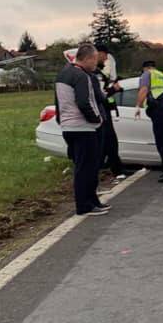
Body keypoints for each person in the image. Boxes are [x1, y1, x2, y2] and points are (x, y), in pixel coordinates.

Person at [55, 43, 110, 216]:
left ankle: (92, 200)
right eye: (94, 60)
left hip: (69, 126)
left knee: (85, 166)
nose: (96, 64)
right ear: (88, 58)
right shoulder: (81, 76)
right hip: (83, 127)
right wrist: (98, 119)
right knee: (87, 168)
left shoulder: (64, 73)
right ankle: (85, 205)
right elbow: (85, 102)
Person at [94, 43, 125, 177]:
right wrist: (114, 89)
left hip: (103, 110)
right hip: (99, 111)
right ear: (99, 53)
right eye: (105, 56)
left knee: (106, 142)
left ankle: (107, 167)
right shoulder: (96, 74)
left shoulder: (99, 72)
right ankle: (116, 170)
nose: (106, 59)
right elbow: (100, 94)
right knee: (109, 141)